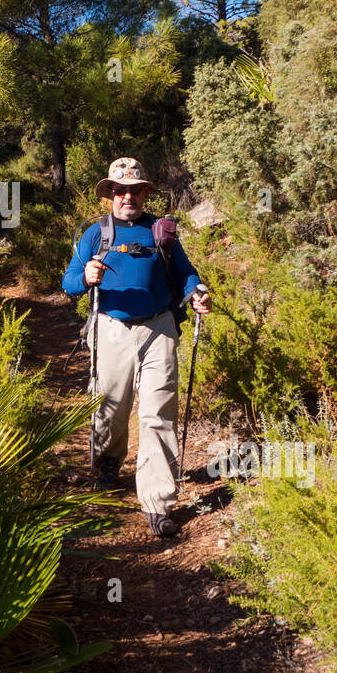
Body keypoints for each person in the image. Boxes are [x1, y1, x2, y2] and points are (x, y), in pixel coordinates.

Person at [62, 157, 212, 537]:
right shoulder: (95, 234)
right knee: (111, 406)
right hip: (110, 329)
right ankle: (108, 462)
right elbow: (68, 283)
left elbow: (185, 273)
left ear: (145, 192)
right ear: (110, 193)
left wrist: (196, 292)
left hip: (158, 329)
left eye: (134, 189)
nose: (127, 196)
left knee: (158, 412)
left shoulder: (161, 232)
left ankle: (158, 502)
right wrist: (85, 275)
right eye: (119, 189)